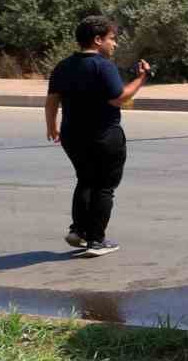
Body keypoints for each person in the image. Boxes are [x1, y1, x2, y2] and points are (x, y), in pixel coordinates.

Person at [44, 15, 150, 257]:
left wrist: (52, 126)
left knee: (85, 180)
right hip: (104, 137)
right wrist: (142, 78)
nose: (115, 44)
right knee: (103, 187)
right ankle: (96, 241)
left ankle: (79, 231)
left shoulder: (63, 65)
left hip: (72, 136)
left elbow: (51, 101)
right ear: (98, 40)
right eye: (112, 39)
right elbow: (119, 98)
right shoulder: (103, 66)